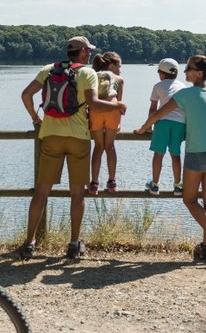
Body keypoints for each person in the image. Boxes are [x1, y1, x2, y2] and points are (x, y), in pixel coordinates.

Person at [20, 36, 126, 260]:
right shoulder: (86, 73)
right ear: (84, 52)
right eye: (87, 51)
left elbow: (26, 94)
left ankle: (29, 243)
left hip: (51, 135)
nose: (88, 54)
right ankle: (73, 244)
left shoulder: (49, 69)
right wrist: (119, 105)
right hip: (78, 137)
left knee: (41, 192)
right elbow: (95, 104)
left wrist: (35, 118)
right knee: (77, 194)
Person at [134, 53, 206, 263]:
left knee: (189, 199)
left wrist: (143, 128)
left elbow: (159, 114)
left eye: (188, 68)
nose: (184, 71)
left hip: (198, 152)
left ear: (198, 72)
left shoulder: (185, 95)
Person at [144, 58, 186, 196]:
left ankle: (155, 185)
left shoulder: (158, 86)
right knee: (176, 154)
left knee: (158, 154)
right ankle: (177, 185)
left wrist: (148, 126)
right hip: (180, 123)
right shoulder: (183, 87)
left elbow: (153, 109)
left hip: (162, 122)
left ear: (162, 74)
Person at [89, 51, 124, 194]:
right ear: (111, 66)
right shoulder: (119, 79)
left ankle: (94, 183)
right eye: (119, 66)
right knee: (109, 147)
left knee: (98, 147)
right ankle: (112, 182)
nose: (120, 69)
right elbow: (119, 103)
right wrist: (119, 123)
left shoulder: (93, 76)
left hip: (96, 110)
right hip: (112, 111)